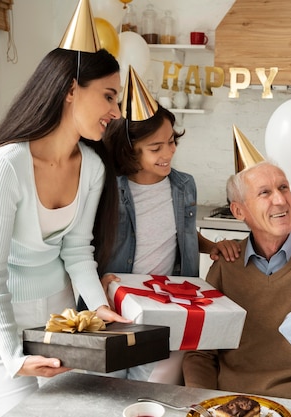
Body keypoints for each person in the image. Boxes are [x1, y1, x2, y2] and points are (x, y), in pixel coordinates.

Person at [0, 43, 132, 417]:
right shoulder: (7, 165)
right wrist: (12, 356)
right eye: (108, 96)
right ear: (71, 90)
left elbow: (76, 250)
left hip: (56, 317)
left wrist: (100, 308)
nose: (115, 112)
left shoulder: (92, 167)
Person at [95, 67, 240, 383]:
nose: (169, 153)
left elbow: (182, 233)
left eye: (171, 142)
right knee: (111, 381)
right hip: (119, 303)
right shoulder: (109, 189)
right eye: (155, 148)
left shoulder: (183, 186)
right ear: (129, 148)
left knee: (150, 384)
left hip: (165, 305)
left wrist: (211, 245)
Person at [182, 161, 291, 402]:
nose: (281, 200)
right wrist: (203, 404)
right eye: (265, 192)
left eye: (283, 187)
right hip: (231, 404)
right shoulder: (225, 267)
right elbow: (202, 354)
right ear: (239, 211)